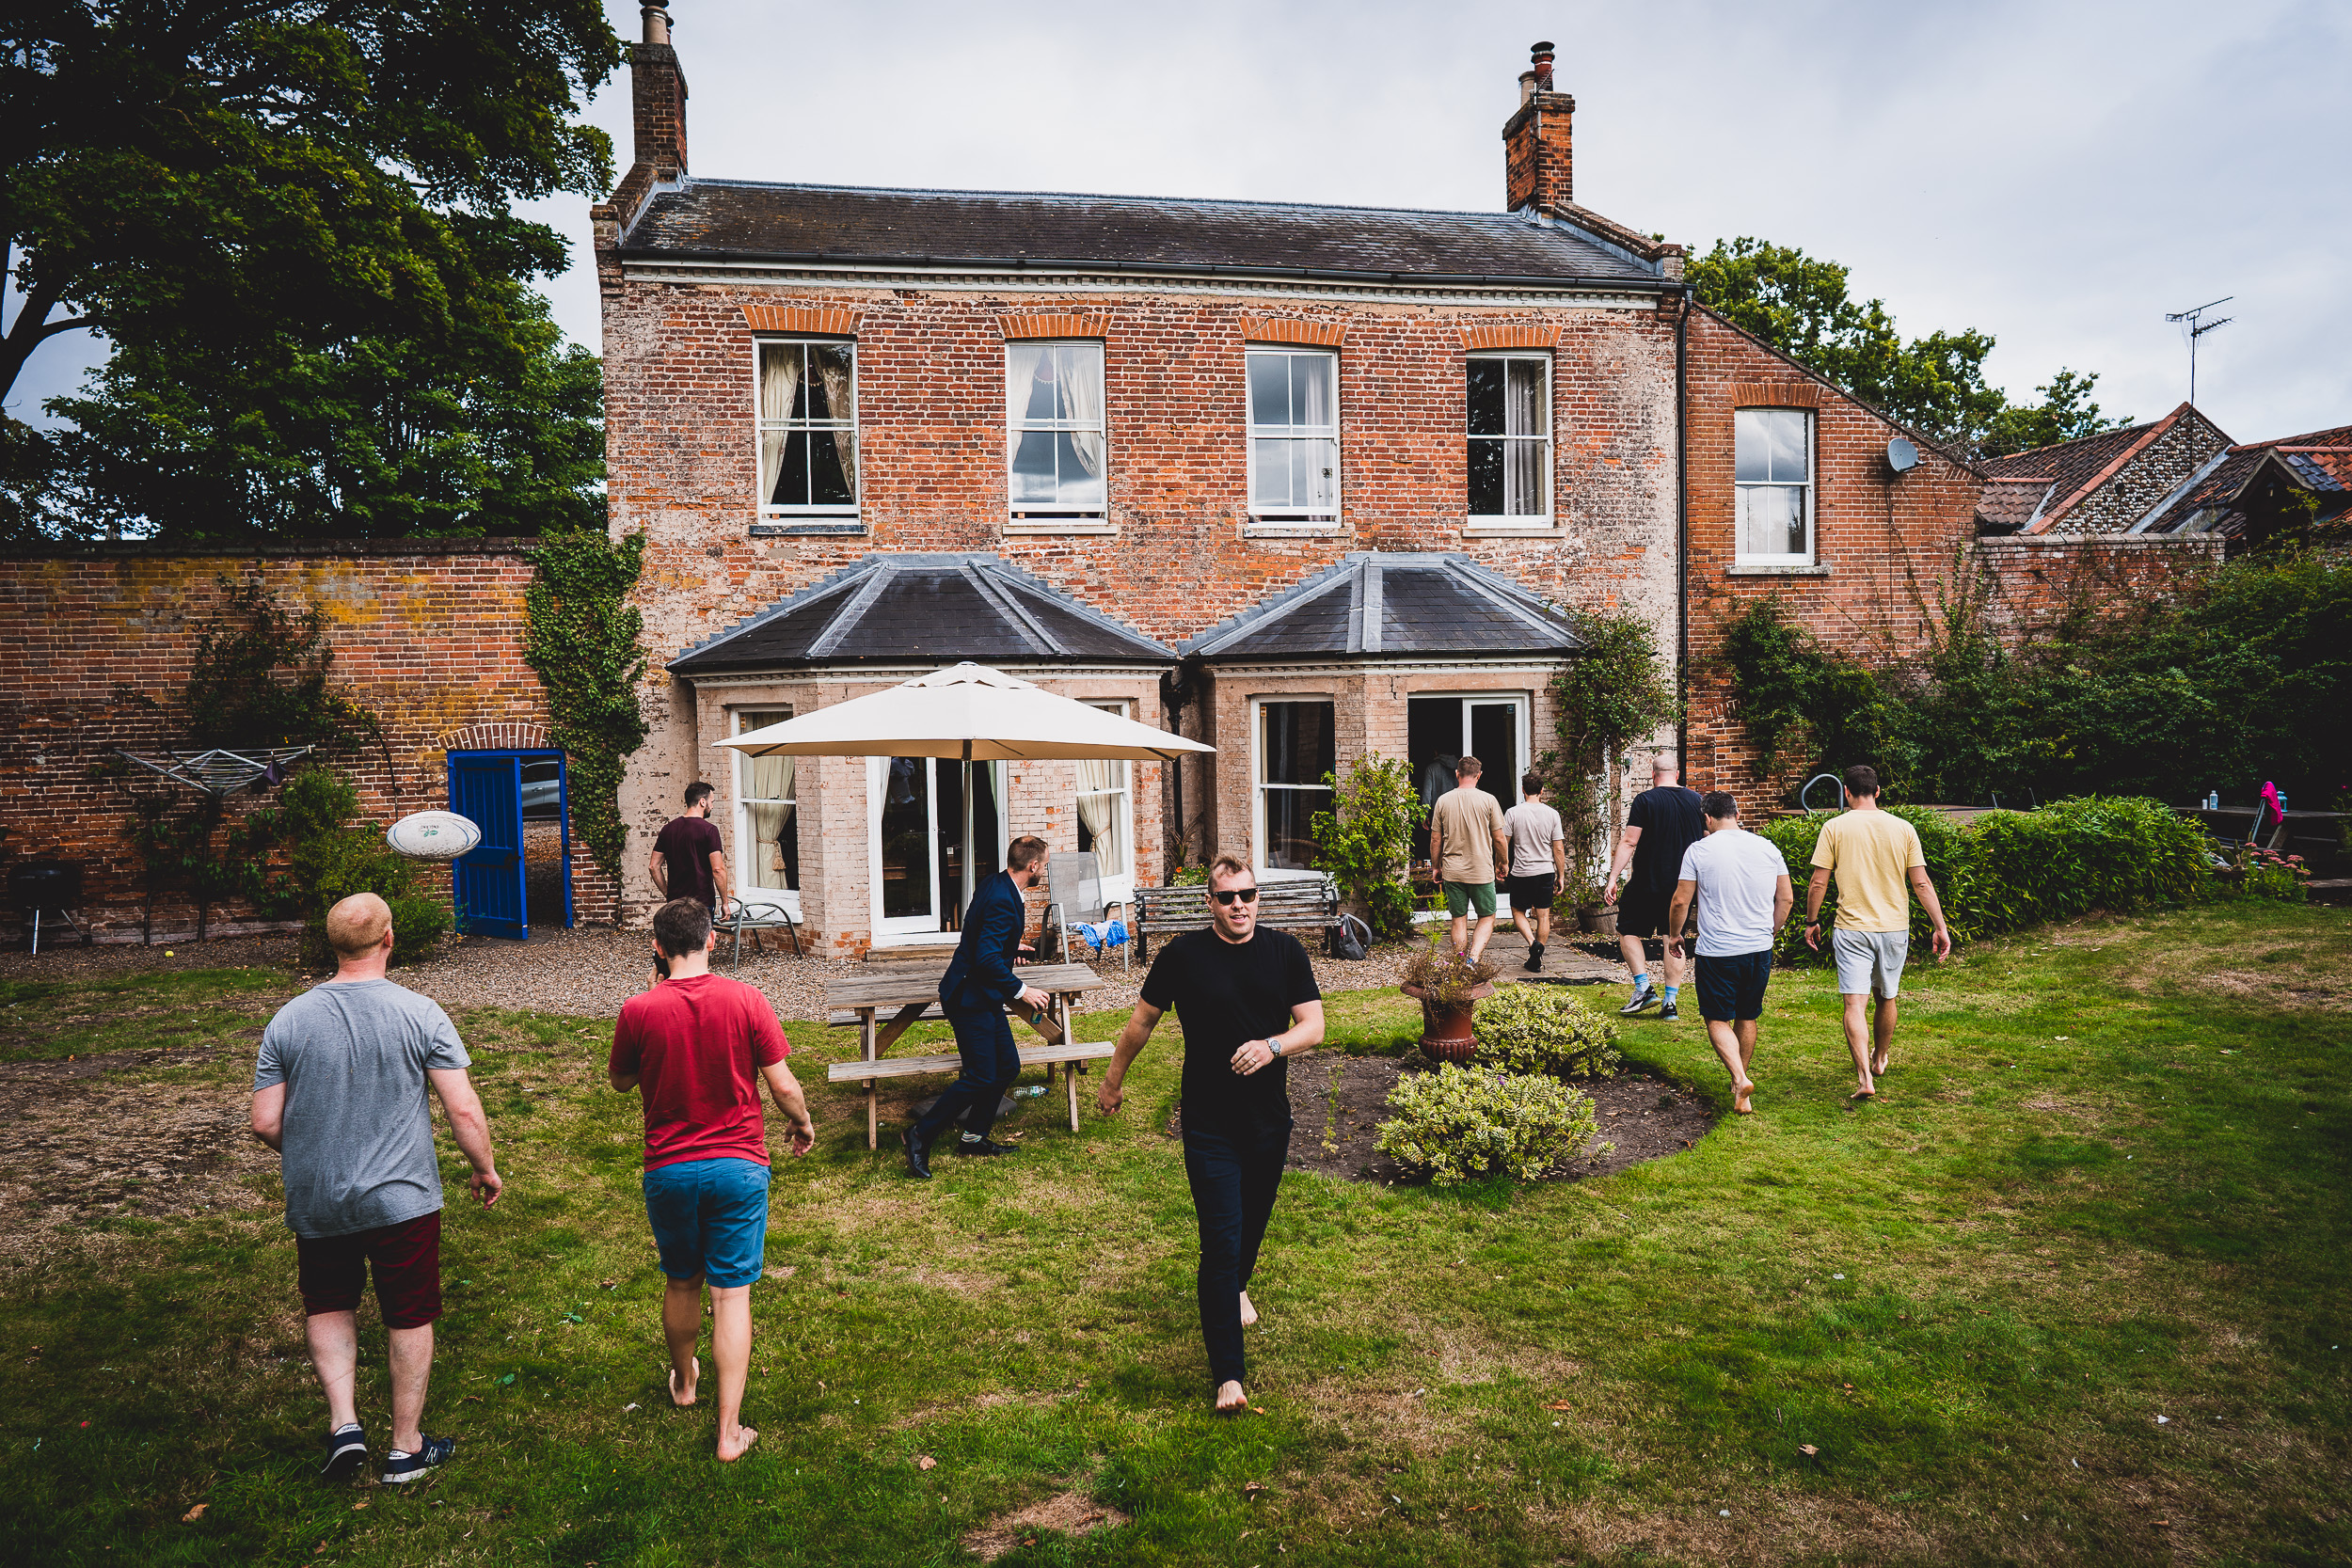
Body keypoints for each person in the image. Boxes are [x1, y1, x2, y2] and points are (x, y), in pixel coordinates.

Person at [248, 892, 501, 1486]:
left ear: (334, 945)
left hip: (318, 1195)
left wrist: (315, 1154)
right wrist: (485, 1167)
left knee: (328, 1301)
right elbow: (462, 1110)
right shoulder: (421, 1013)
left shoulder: (289, 1018)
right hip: (401, 1198)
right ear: (389, 940)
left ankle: (345, 1426)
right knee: (408, 1312)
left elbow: (263, 1121)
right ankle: (405, 1448)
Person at [1098, 853, 1325, 1413]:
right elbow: (1141, 1023)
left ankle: (1236, 1289)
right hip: (1207, 1124)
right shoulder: (1183, 956)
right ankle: (1229, 1375)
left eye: (1247, 895)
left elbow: (1314, 1026)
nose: (1239, 906)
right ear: (1210, 904)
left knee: (1248, 1232)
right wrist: (1111, 1081)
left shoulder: (1284, 952)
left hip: (1269, 1122)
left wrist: (1272, 1046)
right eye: (1227, 898)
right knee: (1221, 1243)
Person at [610, 896, 816, 1462]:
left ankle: (685, 1384)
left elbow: (622, 1081)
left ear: (657, 947)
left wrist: (654, 999)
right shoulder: (747, 998)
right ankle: (729, 1434)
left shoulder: (639, 1010)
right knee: (731, 1294)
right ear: (713, 940)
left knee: (682, 1281)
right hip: (739, 1166)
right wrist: (801, 1123)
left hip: (670, 1169)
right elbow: (784, 1085)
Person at [904, 835, 1054, 1177]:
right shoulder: (1003, 898)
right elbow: (985, 956)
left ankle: (973, 1137)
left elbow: (981, 939)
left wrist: (1009, 950)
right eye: (1043, 865)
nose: (1042, 870)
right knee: (981, 1075)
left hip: (982, 995)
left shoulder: (996, 883)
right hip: (969, 998)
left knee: (1005, 1068)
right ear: (1032, 866)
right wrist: (1022, 990)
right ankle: (919, 1134)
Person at [1803, 765, 1953, 1101]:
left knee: (1854, 1003)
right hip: (1894, 926)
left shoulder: (1834, 827)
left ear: (1846, 792)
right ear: (1878, 791)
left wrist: (1811, 921)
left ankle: (1863, 1078)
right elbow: (1921, 882)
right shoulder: (1903, 828)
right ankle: (1880, 1058)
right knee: (1887, 996)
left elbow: (1818, 882)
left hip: (1852, 927)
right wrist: (1940, 927)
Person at [1664, 793, 1792, 1117]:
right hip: (1758, 949)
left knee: (1717, 1017)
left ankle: (1739, 1077)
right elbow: (1786, 899)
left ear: (1707, 819)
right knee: (1747, 1015)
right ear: (1737, 813)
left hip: (1718, 951)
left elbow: (1681, 900)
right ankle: (1741, 1092)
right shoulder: (1767, 848)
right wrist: (1770, 931)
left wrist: (1676, 934)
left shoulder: (1699, 850)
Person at [1603, 754, 1706, 1020]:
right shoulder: (1697, 801)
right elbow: (1708, 841)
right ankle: (1670, 1003)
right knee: (1674, 937)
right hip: (1684, 884)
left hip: (1648, 882)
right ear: (1678, 773)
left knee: (1627, 929)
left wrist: (1613, 878)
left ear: (1653, 774)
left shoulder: (1645, 800)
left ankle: (1643, 988)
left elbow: (1628, 842)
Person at [1429, 756, 1511, 962]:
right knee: (1487, 916)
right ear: (1479, 775)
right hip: (1481, 871)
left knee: (1458, 918)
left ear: (1457, 774)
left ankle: (1460, 959)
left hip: (1453, 871)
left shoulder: (1443, 800)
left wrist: (1436, 867)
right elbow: (1500, 839)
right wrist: (1503, 862)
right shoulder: (1488, 800)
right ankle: (1472, 960)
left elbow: (1435, 839)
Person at [1503, 772, 1567, 972]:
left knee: (1517, 911)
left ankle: (1533, 944)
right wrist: (1561, 875)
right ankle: (1536, 957)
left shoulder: (1513, 813)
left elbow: (1503, 843)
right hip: (1545, 872)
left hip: (1522, 872)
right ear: (1542, 790)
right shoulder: (1552, 814)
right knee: (1543, 916)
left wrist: (1502, 864)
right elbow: (1558, 848)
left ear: (1523, 790)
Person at [650, 782, 732, 913]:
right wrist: (725, 903)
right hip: (702, 904)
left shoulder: (668, 829)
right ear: (702, 802)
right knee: (700, 935)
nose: (712, 806)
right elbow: (718, 869)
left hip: (675, 903)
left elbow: (654, 866)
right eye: (712, 801)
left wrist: (668, 894)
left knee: (677, 934)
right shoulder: (709, 830)